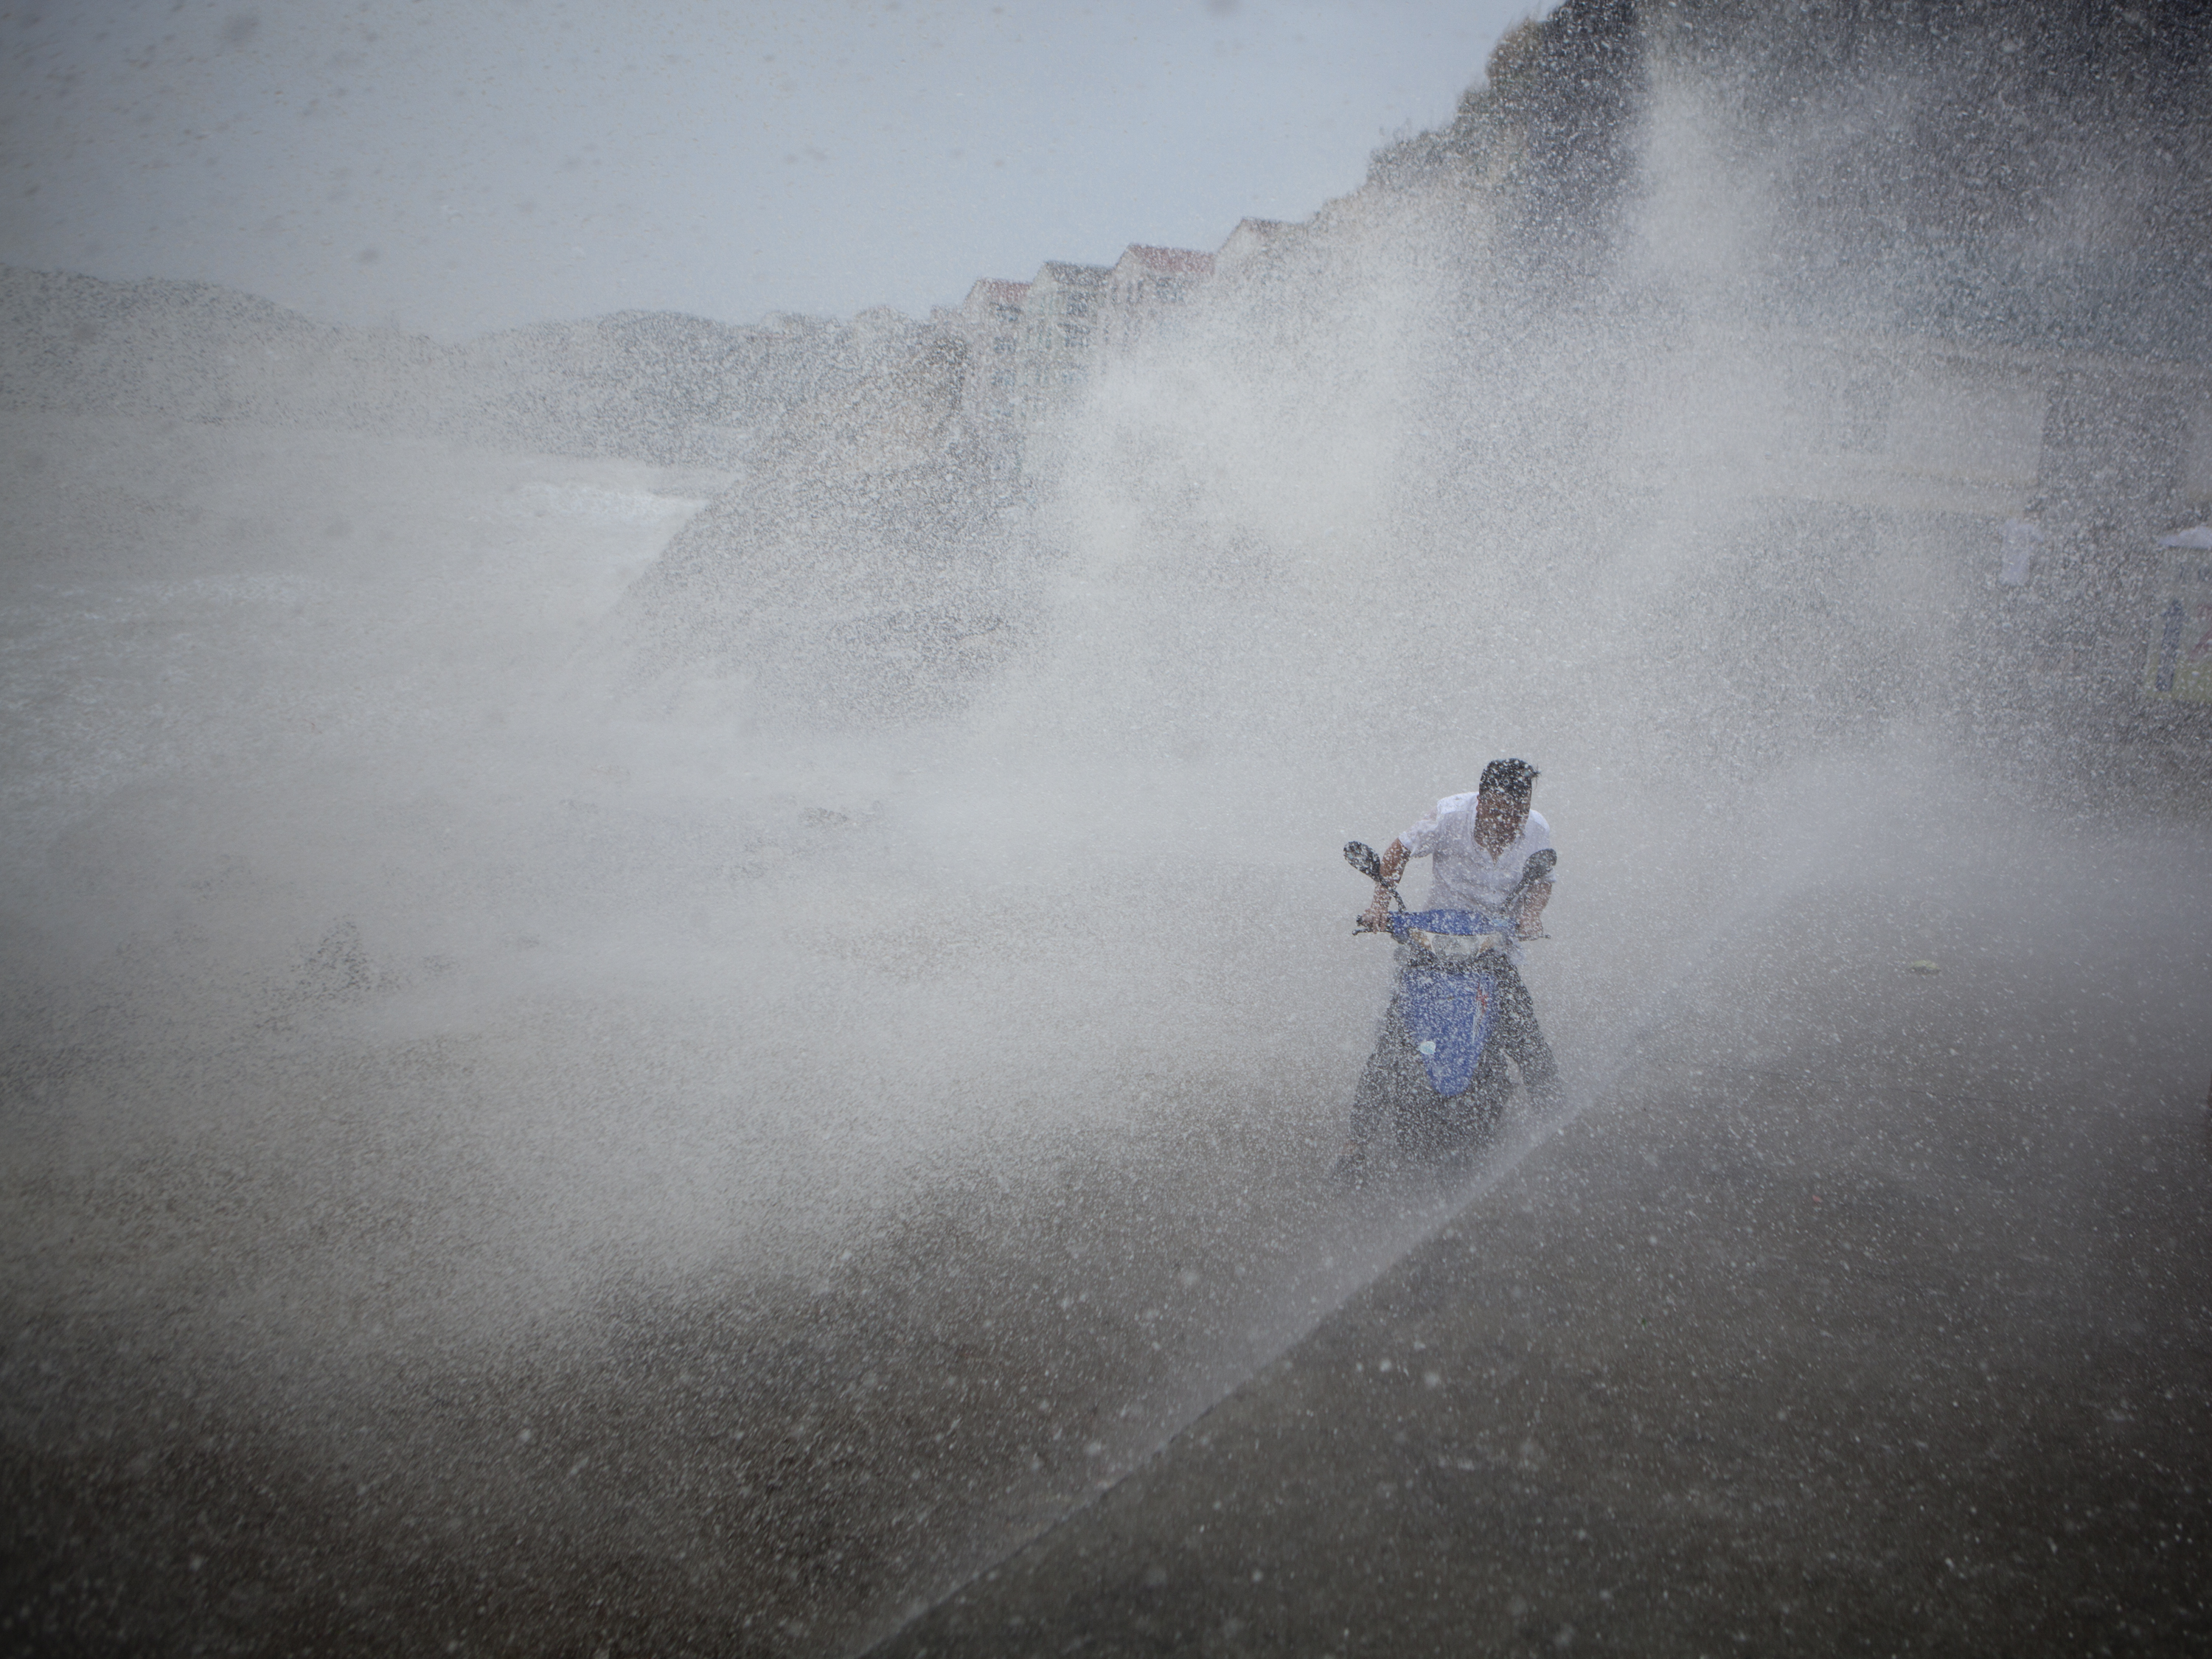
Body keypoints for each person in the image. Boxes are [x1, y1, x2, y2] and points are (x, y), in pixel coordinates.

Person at [1335, 757, 1560, 1178]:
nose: (1507, 822)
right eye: (1498, 810)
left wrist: (1531, 917)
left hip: (1492, 947)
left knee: (1528, 1042)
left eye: (1518, 812)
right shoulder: (1450, 814)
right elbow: (1400, 850)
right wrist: (1379, 906)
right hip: (1431, 941)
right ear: (1481, 800)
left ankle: (1561, 1134)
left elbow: (1542, 881)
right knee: (1393, 1043)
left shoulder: (1537, 830)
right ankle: (1355, 1147)